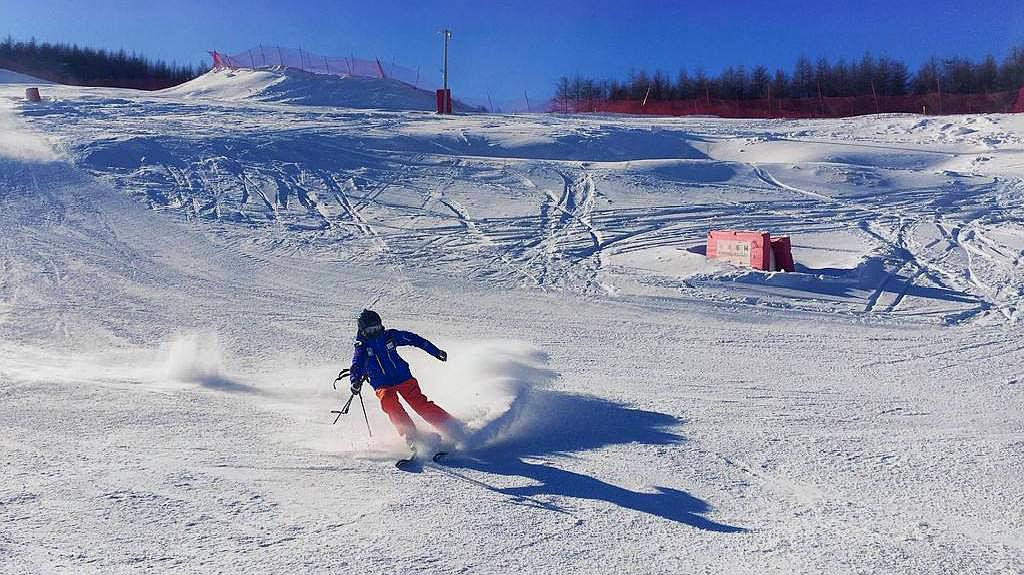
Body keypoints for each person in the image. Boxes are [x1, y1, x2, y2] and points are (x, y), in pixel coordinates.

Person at [349, 309, 465, 448]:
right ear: (363, 331)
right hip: (381, 383)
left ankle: (450, 426)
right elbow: (357, 364)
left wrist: (435, 351)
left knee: (419, 403)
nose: (375, 332)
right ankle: (412, 436)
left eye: (377, 327)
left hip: (402, 377)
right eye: (371, 329)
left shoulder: (389, 336)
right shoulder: (362, 347)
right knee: (388, 401)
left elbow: (414, 339)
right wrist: (355, 380)